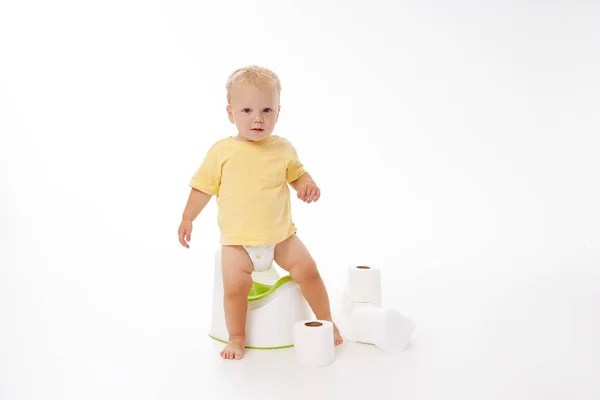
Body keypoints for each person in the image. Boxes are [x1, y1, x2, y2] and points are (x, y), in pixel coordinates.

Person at [178, 65, 343, 360]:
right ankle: (237, 337)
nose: (258, 118)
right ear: (231, 114)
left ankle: (327, 322)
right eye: (247, 110)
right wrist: (188, 218)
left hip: (280, 238)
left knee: (309, 270)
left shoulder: (282, 148)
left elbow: (298, 175)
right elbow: (202, 187)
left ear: (278, 113)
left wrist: (308, 185)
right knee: (234, 288)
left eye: (267, 110)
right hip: (237, 244)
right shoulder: (222, 152)